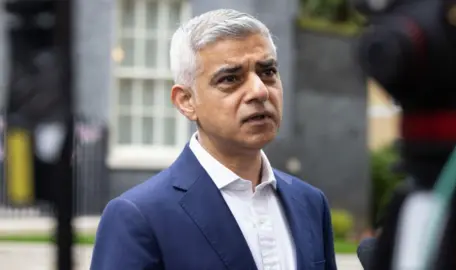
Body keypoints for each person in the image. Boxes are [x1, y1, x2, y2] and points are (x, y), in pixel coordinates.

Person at [91, 9, 337, 270]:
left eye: (268, 72)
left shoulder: (310, 203)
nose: (260, 90)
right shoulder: (138, 216)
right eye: (230, 78)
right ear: (186, 101)